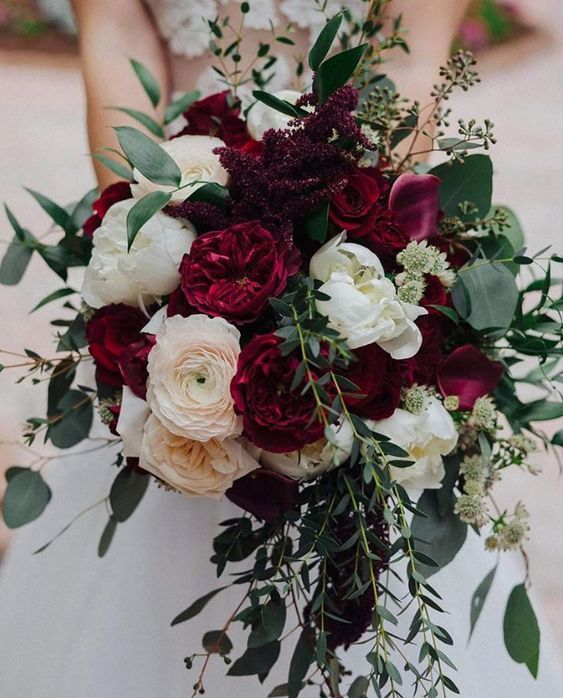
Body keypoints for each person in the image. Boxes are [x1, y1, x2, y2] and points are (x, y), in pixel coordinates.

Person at [0, 2, 561, 697]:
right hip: (178, 209)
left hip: (349, 211)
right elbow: (115, 38)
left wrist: (354, 250)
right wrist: (149, 234)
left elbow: (413, 61)